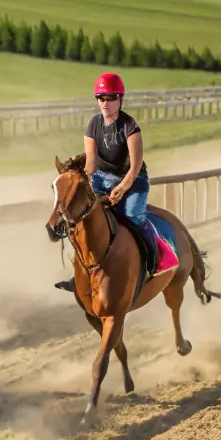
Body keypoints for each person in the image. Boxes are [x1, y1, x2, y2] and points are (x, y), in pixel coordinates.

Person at [54, 73, 158, 291]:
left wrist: (122, 187)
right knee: (84, 218)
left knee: (133, 217)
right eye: (100, 98)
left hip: (134, 180)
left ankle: (151, 263)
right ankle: (81, 273)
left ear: (121, 99)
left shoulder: (130, 126)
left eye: (110, 97)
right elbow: (91, 165)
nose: (105, 103)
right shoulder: (93, 125)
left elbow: (135, 166)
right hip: (103, 178)